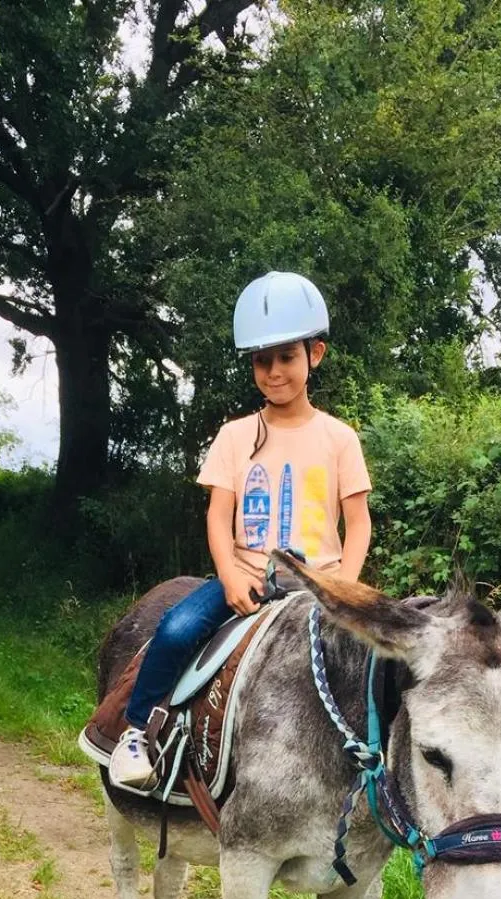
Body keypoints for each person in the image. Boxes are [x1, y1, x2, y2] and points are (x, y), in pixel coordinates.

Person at [108, 271, 372, 788]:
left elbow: (359, 523)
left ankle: (384, 771)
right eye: (261, 361)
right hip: (248, 580)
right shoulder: (234, 436)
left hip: (321, 586)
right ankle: (137, 731)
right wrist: (228, 576)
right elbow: (217, 514)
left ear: (314, 354)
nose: (274, 372)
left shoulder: (339, 438)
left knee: (389, 657)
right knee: (176, 629)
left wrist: (345, 589)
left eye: (286, 358)